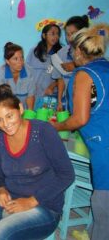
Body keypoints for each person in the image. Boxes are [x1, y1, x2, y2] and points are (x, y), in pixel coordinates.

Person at [0, 84, 75, 240]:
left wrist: (32, 201)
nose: (5, 124)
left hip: (45, 207)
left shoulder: (43, 132)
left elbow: (67, 175)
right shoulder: (0, 139)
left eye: (9, 116)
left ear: (20, 109)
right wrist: (0, 189)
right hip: (10, 200)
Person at [51, 24, 109, 240]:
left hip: (105, 148)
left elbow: (80, 118)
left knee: (103, 208)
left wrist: (56, 126)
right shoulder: (106, 68)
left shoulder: (85, 74)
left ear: (77, 51)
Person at [51, 15, 89, 111]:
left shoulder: (91, 51)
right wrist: (59, 101)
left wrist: (76, 66)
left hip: (86, 99)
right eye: (67, 34)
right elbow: (61, 79)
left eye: (73, 33)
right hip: (68, 100)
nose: (69, 38)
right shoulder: (62, 52)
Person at [0, 42, 36, 110]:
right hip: (5, 108)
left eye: (22, 57)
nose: (20, 61)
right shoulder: (0, 73)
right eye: (16, 59)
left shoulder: (29, 71)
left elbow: (30, 96)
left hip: (23, 111)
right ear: (7, 61)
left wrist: (29, 113)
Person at [26, 24, 62, 109]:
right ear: (44, 35)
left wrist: (52, 86)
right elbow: (26, 71)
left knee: (47, 119)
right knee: (31, 118)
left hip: (49, 95)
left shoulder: (60, 53)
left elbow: (63, 77)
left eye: (58, 34)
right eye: (52, 33)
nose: (56, 36)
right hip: (33, 94)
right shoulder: (34, 51)